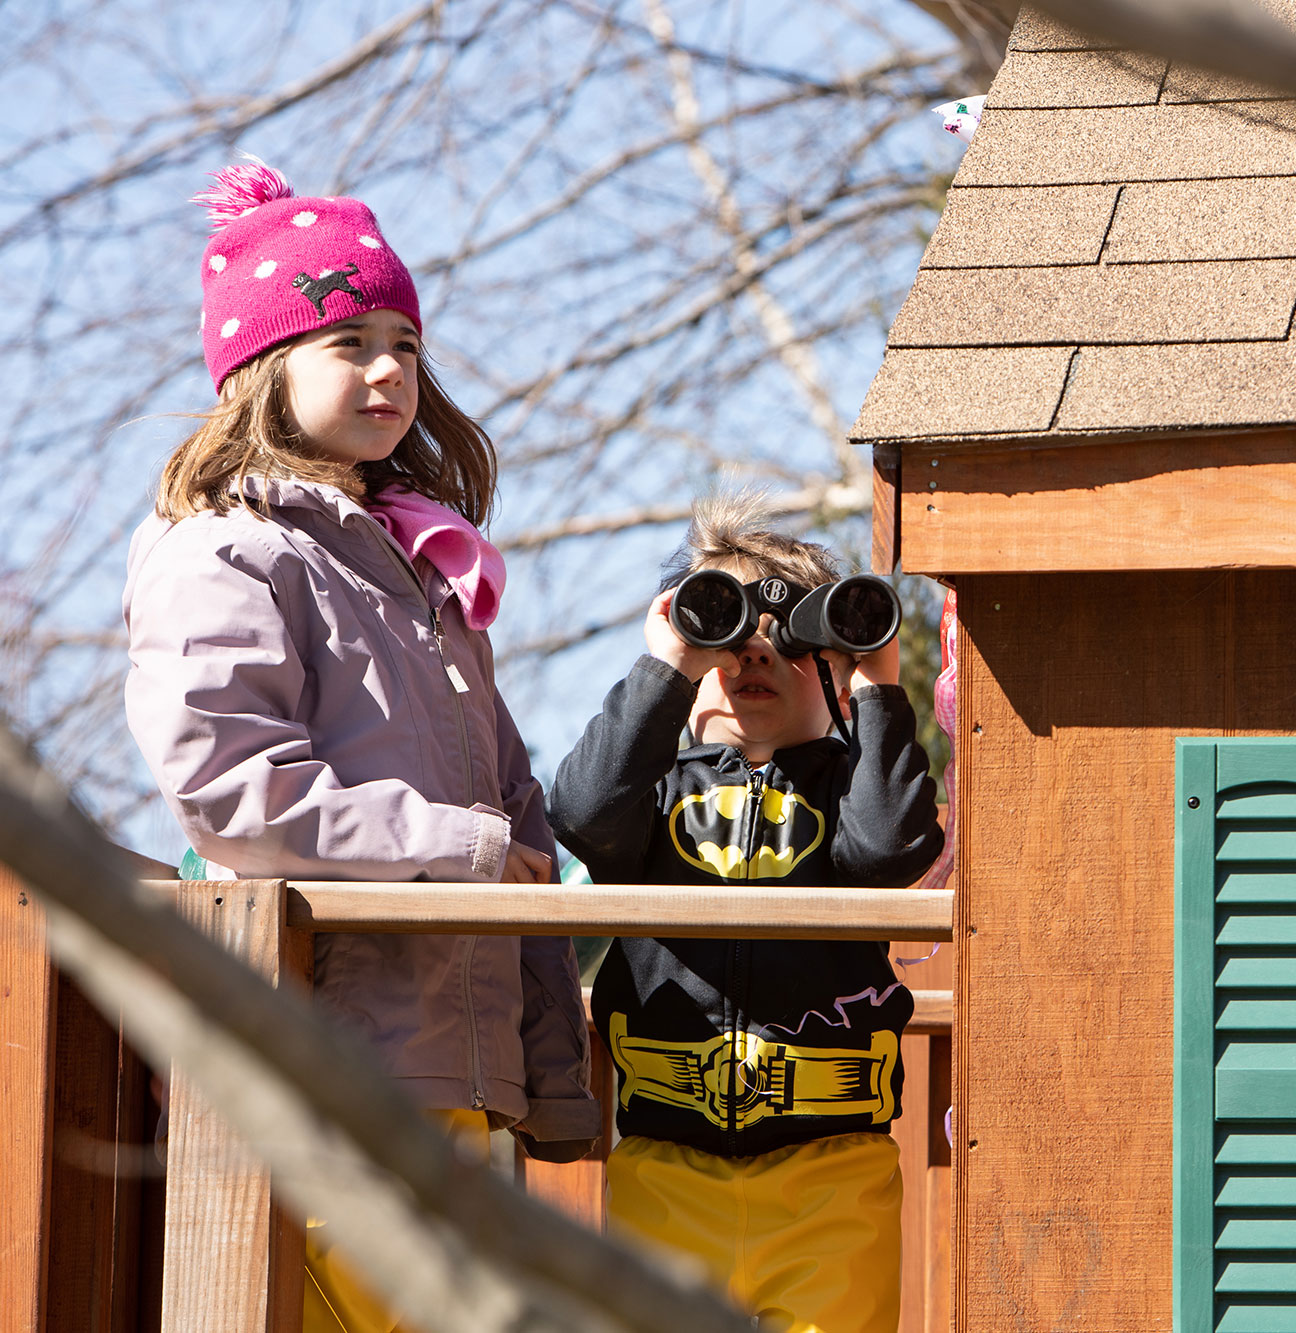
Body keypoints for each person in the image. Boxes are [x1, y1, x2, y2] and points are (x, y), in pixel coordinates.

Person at [123, 160, 597, 1332]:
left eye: (405, 341)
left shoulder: (415, 571)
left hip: (456, 1067)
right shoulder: (224, 550)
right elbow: (229, 787)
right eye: (348, 342)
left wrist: (551, 1057)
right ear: (259, 370)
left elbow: (510, 796)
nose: (390, 369)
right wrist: (466, 852)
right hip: (331, 1063)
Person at [548, 498, 943, 1333]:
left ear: (834, 667)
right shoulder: (650, 799)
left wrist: (877, 688)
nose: (756, 651)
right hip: (665, 1167)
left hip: (832, 1176)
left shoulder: (848, 791)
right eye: (726, 629)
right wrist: (666, 669)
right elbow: (582, 812)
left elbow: (887, 851)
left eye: (795, 639)